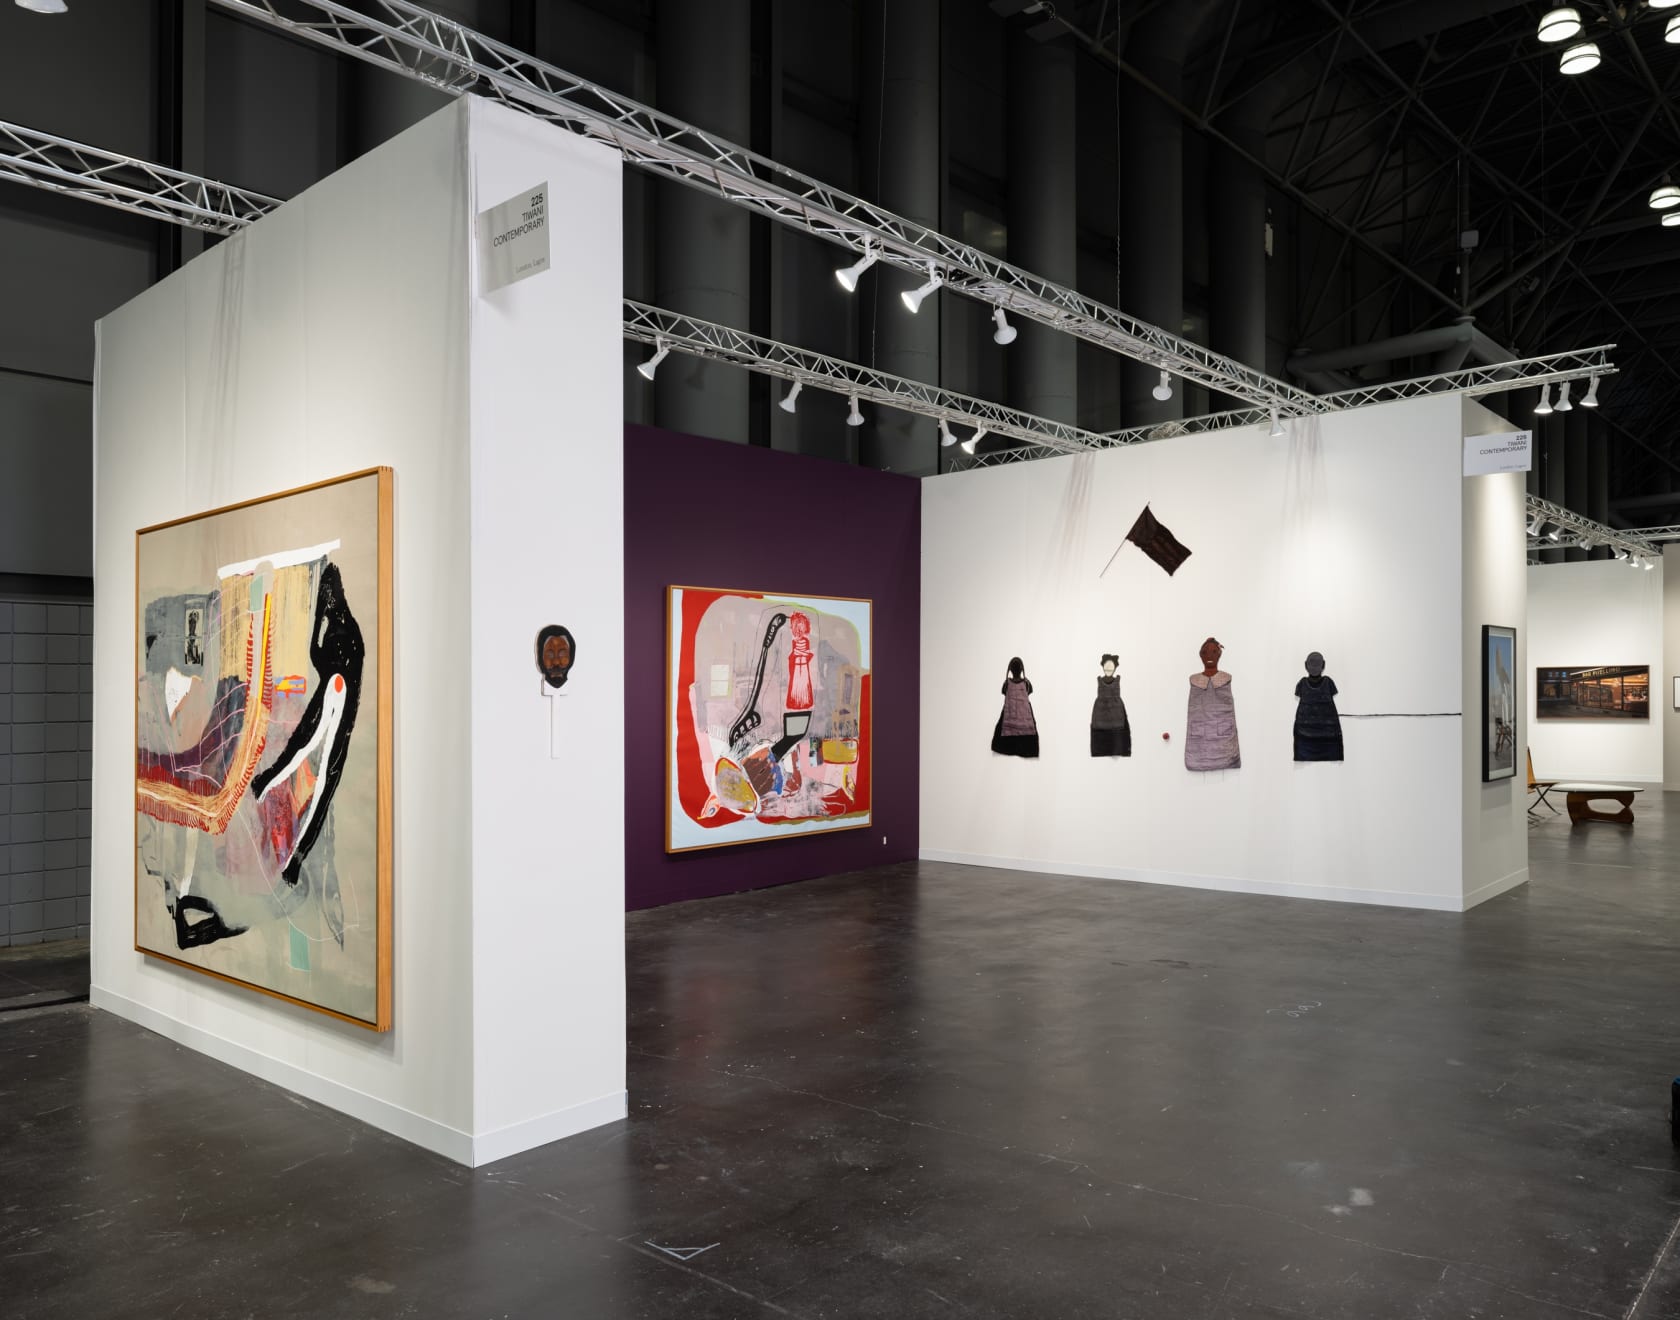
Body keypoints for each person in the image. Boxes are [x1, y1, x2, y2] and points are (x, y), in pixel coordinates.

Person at [1185, 637, 1240, 770]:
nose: (1209, 656)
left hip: (1224, 736)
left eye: (1214, 652)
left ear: (1219, 654)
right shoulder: (1194, 679)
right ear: (1201, 655)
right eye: (1205, 652)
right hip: (1199, 735)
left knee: (1227, 754)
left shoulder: (1226, 678)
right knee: (1196, 755)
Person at [1293, 651, 1344, 761]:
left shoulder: (1303, 684)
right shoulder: (1328, 683)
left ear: (1305, 665)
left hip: (1323, 740)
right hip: (1309, 740)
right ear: (1324, 665)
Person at [991, 657, 1040, 758]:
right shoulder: (1026, 683)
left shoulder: (1007, 683)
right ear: (1022, 669)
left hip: (1010, 713)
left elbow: (1004, 692)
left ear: (1010, 670)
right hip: (1024, 715)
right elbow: (1030, 691)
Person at [1090, 653, 1131, 757]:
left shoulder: (1118, 680)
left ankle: (1117, 748)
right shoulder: (1099, 680)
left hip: (1116, 712)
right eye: (1106, 665)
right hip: (1100, 711)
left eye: (1111, 665)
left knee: (1118, 734)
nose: (1108, 668)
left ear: (1115, 667)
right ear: (1102, 666)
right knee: (1100, 734)